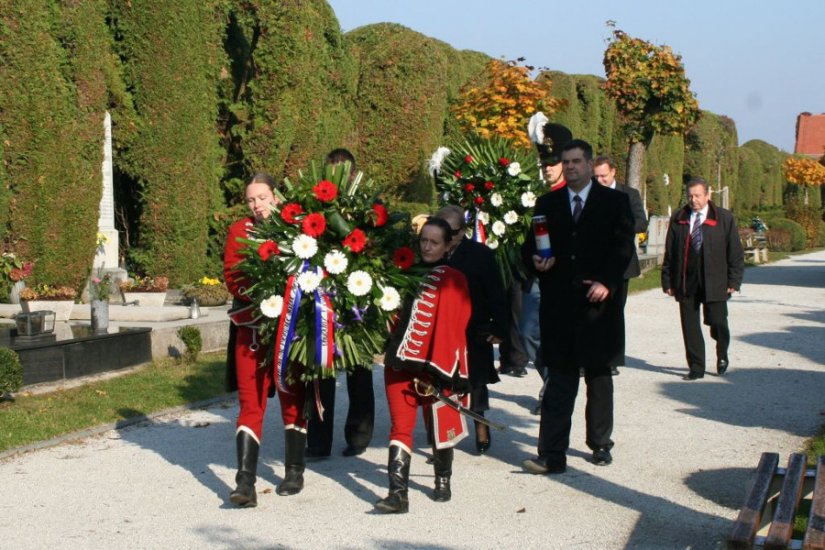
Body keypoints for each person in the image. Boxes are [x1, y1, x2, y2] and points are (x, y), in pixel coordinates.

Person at [521, 139, 634, 474]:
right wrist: (535, 262)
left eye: (575, 161)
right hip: (559, 305)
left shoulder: (615, 202)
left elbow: (623, 248)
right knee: (560, 380)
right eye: (565, 162)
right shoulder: (548, 202)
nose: (569, 167)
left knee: (598, 378)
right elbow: (531, 246)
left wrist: (607, 282)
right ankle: (551, 454)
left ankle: (600, 444)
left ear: (588, 164)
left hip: (598, 307)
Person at [375, 217, 472, 514]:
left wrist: (443, 367)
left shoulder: (455, 278)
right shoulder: (403, 274)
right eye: (424, 241)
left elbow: (457, 325)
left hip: (436, 367)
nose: (427, 247)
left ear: (447, 246)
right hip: (400, 364)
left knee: (440, 423)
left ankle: (442, 479)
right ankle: (397, 494)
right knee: (400, 427)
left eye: (434, 242)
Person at [223, 172, 308, 507]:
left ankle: (294, 470)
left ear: (275, 196)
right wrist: (262, 295)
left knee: (291, 398)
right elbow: (232, 274)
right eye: (251, 200)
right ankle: (245, 483)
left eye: (262, 197)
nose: (256, 205)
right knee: (250, 402)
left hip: (291, 331)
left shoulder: (297, 227)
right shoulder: (238, 231)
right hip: (253, 329)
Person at [306, 148, 375, 458]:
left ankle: (358, 436)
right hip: (322, 298)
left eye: (342, 172)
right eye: (331, 171)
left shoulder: (367, 205)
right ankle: (319, 442)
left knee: (359, 369)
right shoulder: (313, 204)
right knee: (322, 368)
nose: (336, 177)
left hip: (357, 295)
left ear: (352, 174)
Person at [437, 205, 507, 455]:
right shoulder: (431, 251)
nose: (446, 237)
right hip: (441, 329)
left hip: (473, 327)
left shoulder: (480, 254)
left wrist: (500, 328)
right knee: (441, 380)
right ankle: (444, 434)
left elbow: (496, 293)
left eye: (452, 232)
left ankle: (481, 425)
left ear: (463, 230)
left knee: (476, 380)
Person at [661, 177, 744, 380]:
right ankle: (696, 367)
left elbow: (734, 251)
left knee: (717, 320)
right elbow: (670, 252)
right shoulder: (679, 218)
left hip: (715, 279)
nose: (694, 200)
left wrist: (734, 280)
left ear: (707, 195)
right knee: (690, 325)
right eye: (690, 196)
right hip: (686, 279)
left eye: (698, 195)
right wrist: (667, 280)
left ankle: (722, 351)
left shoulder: (724, 218)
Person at [521, 122, 573, 413]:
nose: (547, 169)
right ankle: (551, 380)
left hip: (565, 278)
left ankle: (555, 389)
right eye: (544, 164)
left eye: (552, 164)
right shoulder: (537, 195)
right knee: (527, 330)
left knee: (557, 335)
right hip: (540, 275)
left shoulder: (573, 193)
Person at [593, 156, 648, 376]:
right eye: (596, 176)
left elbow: (641, 222)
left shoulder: (629, 194)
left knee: (614, 312)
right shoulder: (591, 194)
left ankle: (613, 359)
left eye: (603, 176)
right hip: (595, 262)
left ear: (613, 172)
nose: (600, 180)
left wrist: (619, 227)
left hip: (621, 263)